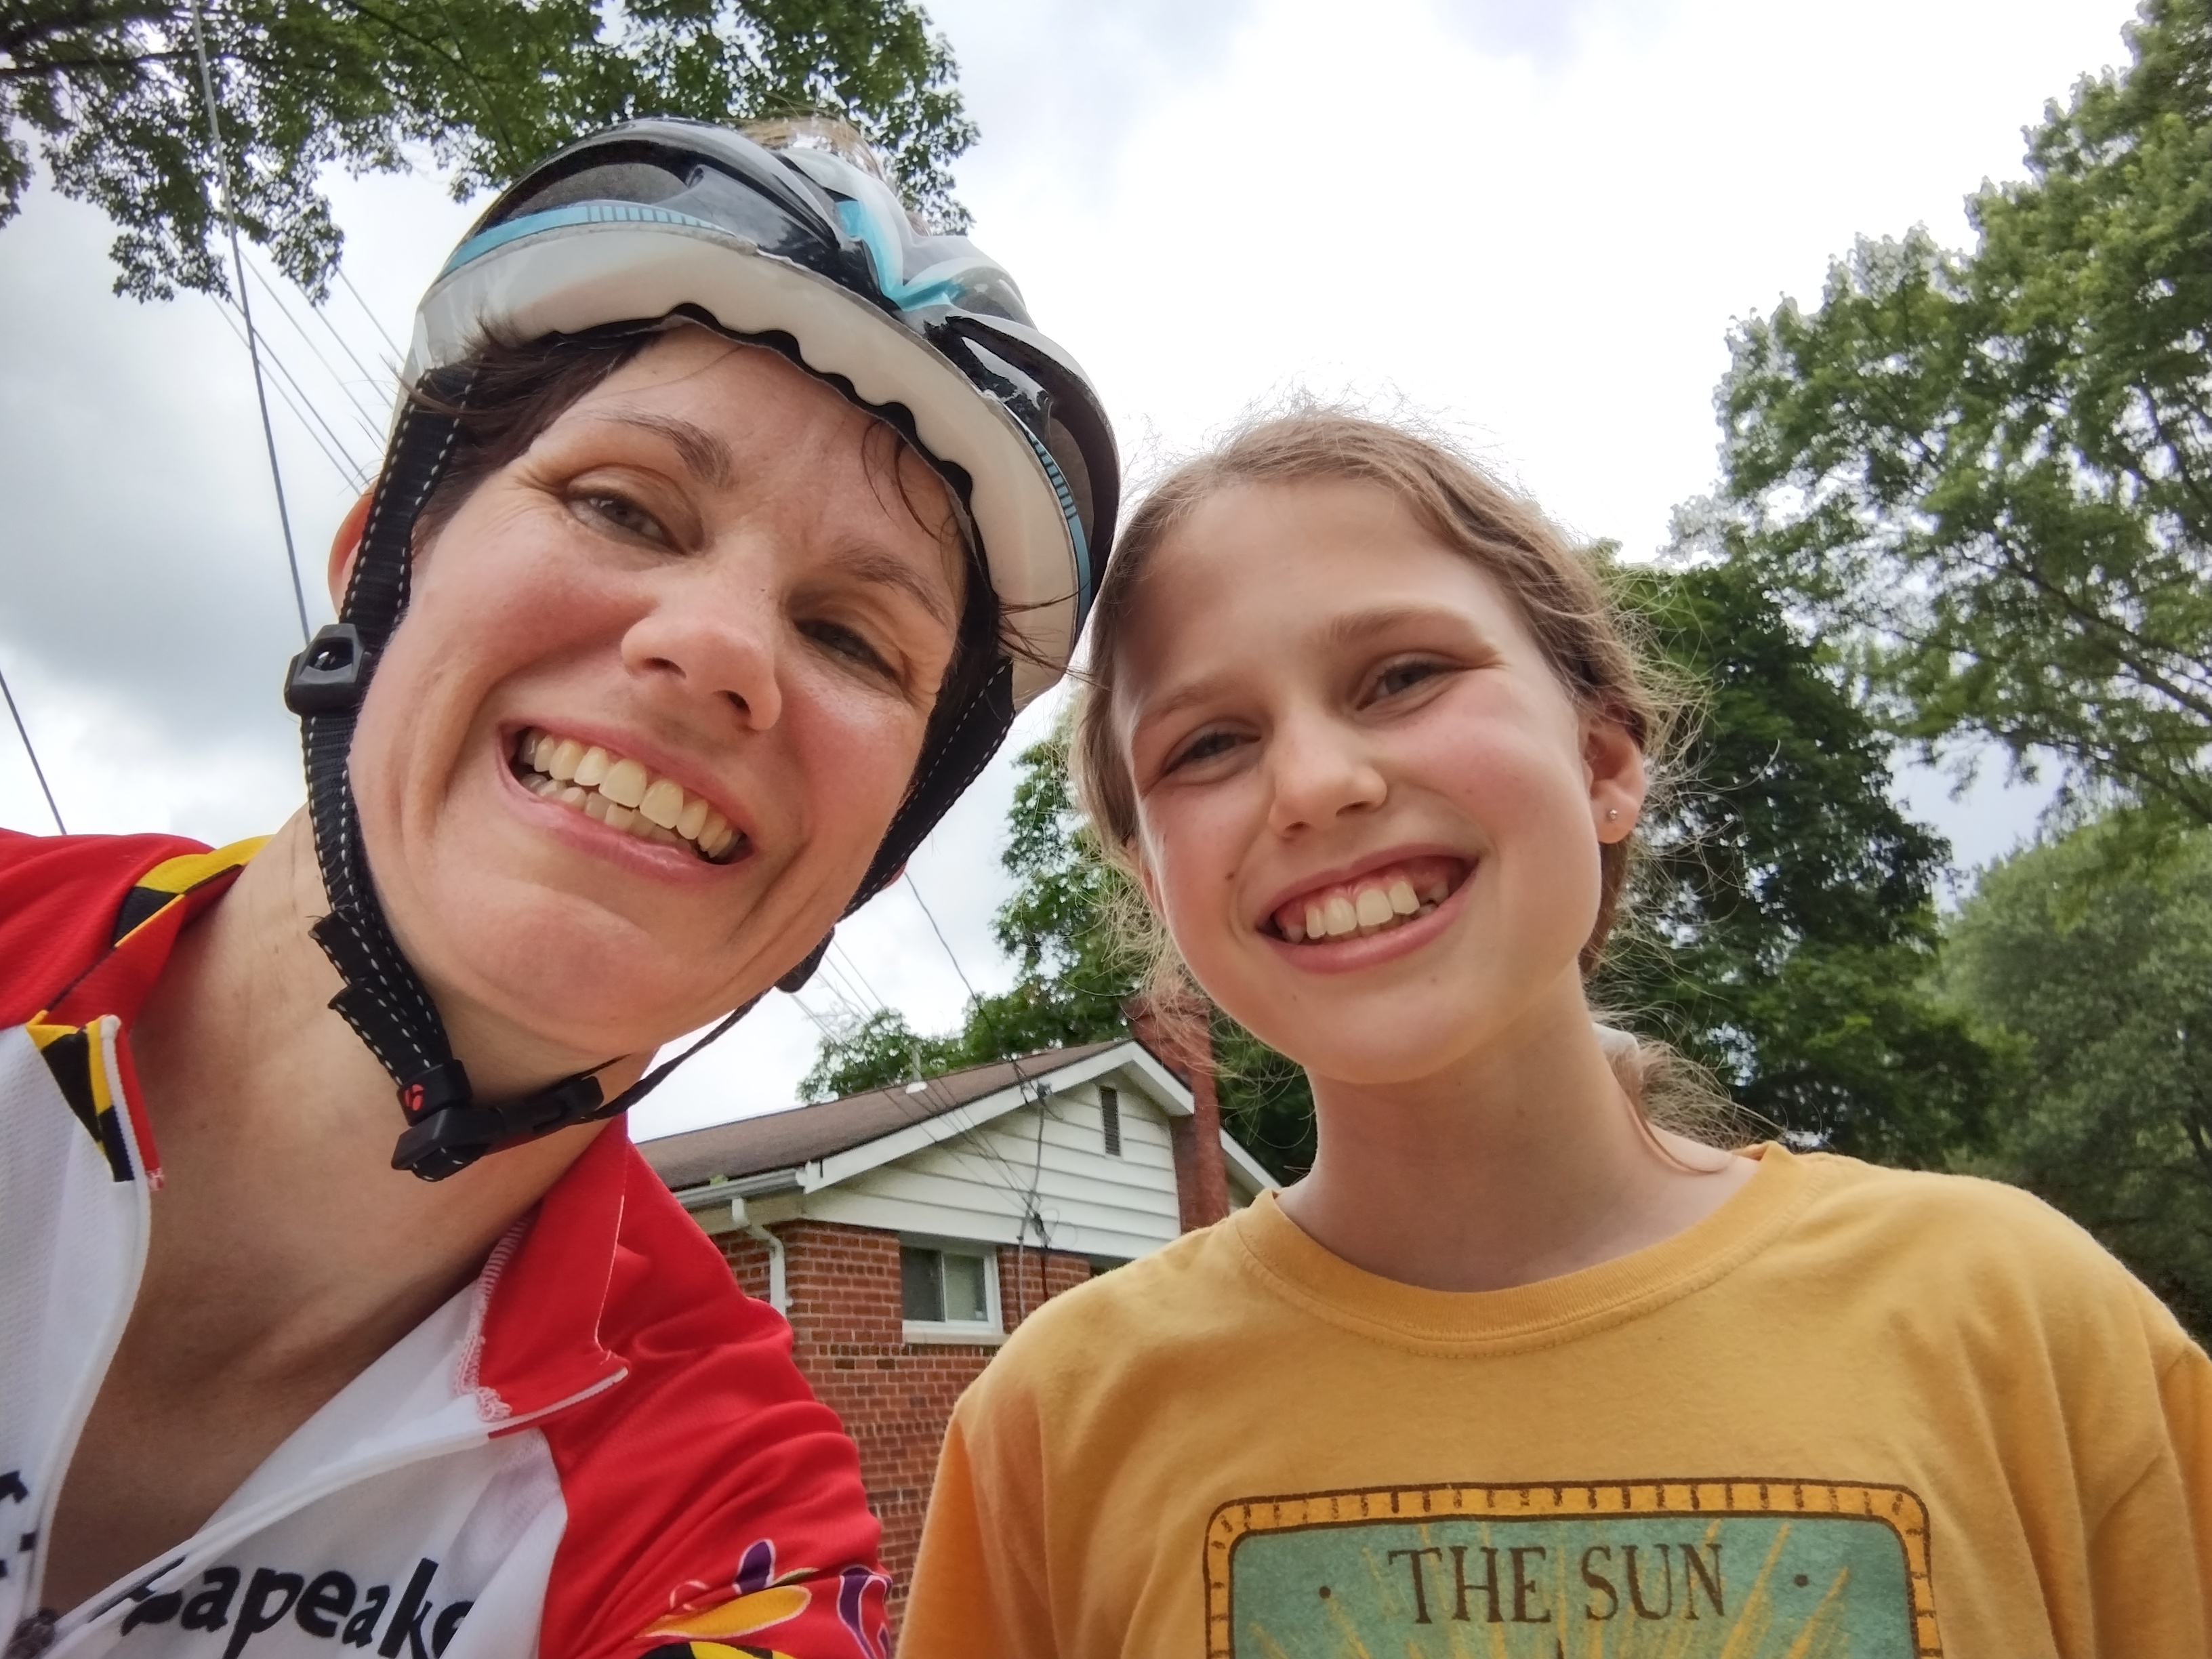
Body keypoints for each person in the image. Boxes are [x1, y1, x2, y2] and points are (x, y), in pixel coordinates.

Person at [0, 117, 1118, 1659]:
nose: (718, 648)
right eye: (624, 506)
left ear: (884, 849)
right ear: (374, 566)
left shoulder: (737, 1532)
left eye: (855, 639)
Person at [898, 410, 2212, 1658]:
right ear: (1153, 879)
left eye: (1401, 677)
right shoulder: (1056, 1425)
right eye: (1209, 745)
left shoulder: (2025, 1326)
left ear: (1602, 762)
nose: (1314, 784)